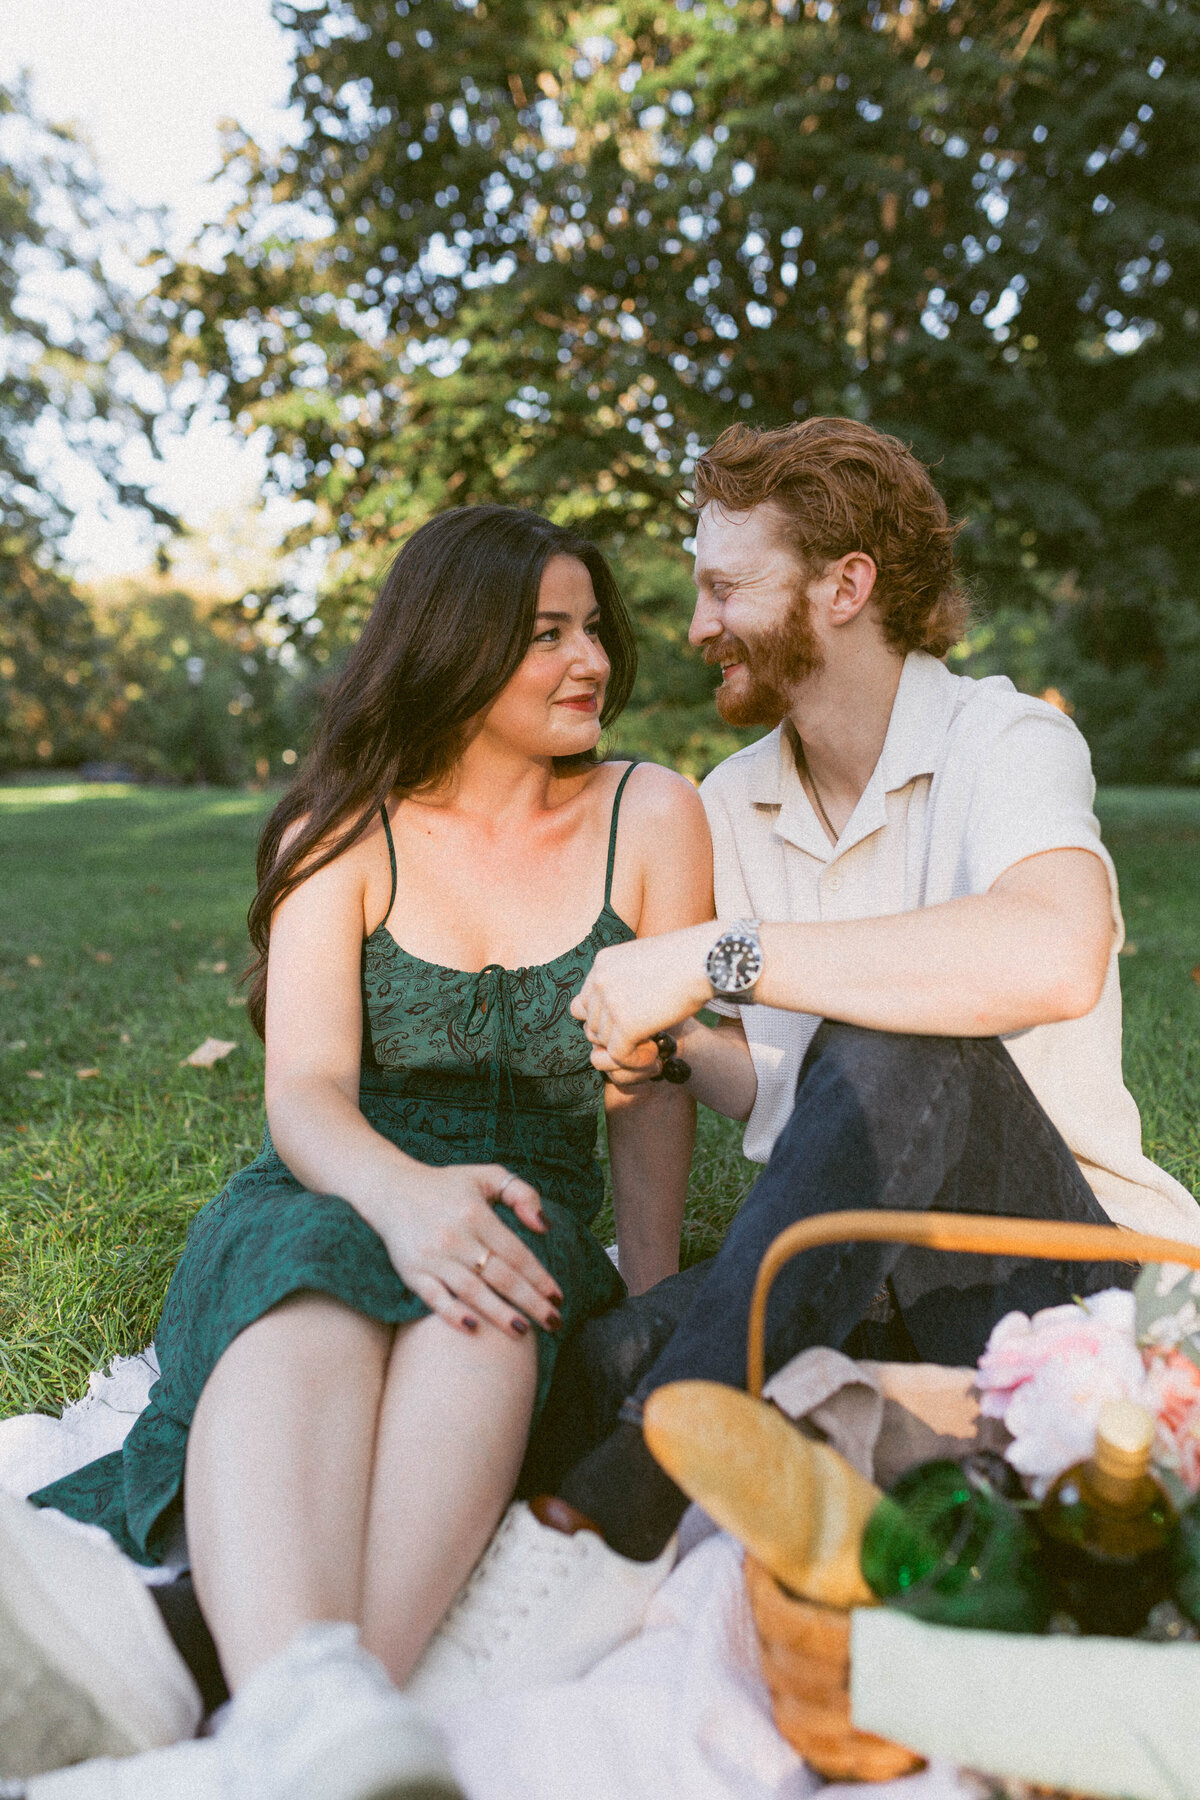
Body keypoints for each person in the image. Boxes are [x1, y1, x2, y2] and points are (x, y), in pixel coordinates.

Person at [389, 416, 1200, 1688]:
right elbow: (792, 1094)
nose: (698, 623)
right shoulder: (730, 800)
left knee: (909, 1037)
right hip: (849, 1281)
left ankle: (630, 1508)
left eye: (725, 586)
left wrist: (715, 955)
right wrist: (675, 1048)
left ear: (844, 586)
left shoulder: (1004, 742)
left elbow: (1054, 956)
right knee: (591, 1357)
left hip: (1071, 1280)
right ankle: (306, 1638)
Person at [0, 504, 711, 1800]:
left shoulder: (652, 811)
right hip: (335, 1172)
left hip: (525, 1205)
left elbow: (650, 1084)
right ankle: (310, 1714)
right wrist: (400, 1198)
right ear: (454, 647)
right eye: (546, 634)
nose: (590, 660)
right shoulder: (338, 829)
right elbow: (309, 1092)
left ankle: (296, 1716)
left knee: (490, 1294)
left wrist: (655, 1292)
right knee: (317, 1273)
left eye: (593, 628)